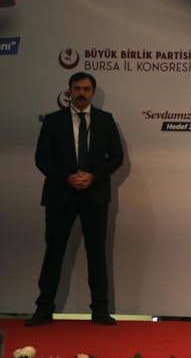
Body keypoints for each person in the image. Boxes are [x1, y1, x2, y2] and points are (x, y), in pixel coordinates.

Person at [25, 72, 124, 327]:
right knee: (54, 252)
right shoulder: (52, 121)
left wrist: (93, 176)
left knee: (97, 253)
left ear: (93, 93)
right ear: (69, 91)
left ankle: (100, 310)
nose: (81, 93)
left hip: (94, 195)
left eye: (86, 89)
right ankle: (44, 309)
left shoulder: (106, 120)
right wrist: (67, 177)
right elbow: (42, 158)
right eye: (77, 88)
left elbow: (116, 157)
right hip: (60, 194)